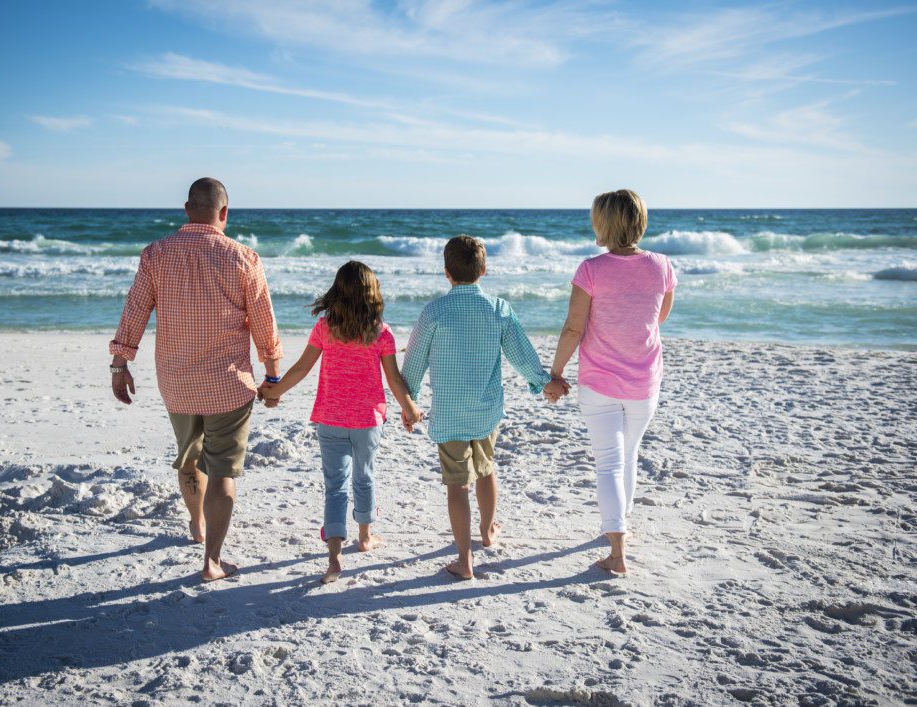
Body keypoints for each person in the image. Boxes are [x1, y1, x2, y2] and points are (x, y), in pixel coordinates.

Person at [109, 177, 283, 582]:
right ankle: (212, 561)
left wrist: (120, 365)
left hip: (178, 383)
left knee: (190, 459)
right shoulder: (244, 258)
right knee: (222, 472)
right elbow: (264, 325)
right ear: (225, 213)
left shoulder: (155, 254)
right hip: (229, 386)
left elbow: (134, 312)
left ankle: (196, 524)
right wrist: (273, 376)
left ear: (187, 209)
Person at [401, 236, 568, 580]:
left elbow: (414, 362)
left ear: (446, 272)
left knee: (457, 485)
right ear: (484, 270)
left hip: (449, 415)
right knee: (486, 468)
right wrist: (544, 381)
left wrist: (409, 401)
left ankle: (464, 561)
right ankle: (488, 531)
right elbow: (521, 355)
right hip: (486, 411)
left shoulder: (433, 312)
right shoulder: (498, 309)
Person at [259, 261, 423, 584]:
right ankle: (364, 536)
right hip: (367, 422)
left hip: (330, 419)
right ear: (371, 294)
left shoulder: (325, 327)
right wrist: (410, 408)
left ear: (337, 292)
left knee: (335, 487)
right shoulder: (381, 332)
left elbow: (301, 369)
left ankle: (334, 559)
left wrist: (274, 391)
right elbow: (393, 380)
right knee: (364, 478)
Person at [549, 189, 676, 575]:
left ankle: (617, 549)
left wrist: (556, 373)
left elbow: (574, 328)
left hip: (601, 383)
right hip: (644, 380)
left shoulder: (591, 269)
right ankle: (621, 523)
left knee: (608, 462)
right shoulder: (662, 265)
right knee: (628, 455)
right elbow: (659, 318)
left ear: (603, 223)